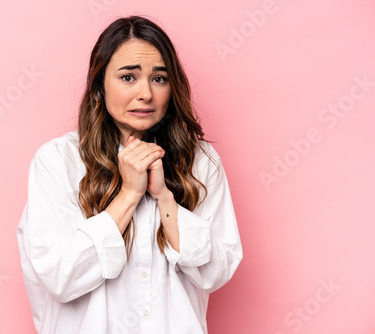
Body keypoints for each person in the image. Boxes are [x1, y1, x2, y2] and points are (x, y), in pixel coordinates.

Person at [16, 15, 242, 334]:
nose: (146, 94)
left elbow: (216, 272)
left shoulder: (201, 161)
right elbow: (61, 278)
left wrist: (163, 197)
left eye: (159, 78)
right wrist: (129, 195)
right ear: (100, 84)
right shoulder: (57, 161)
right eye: (128, 77)